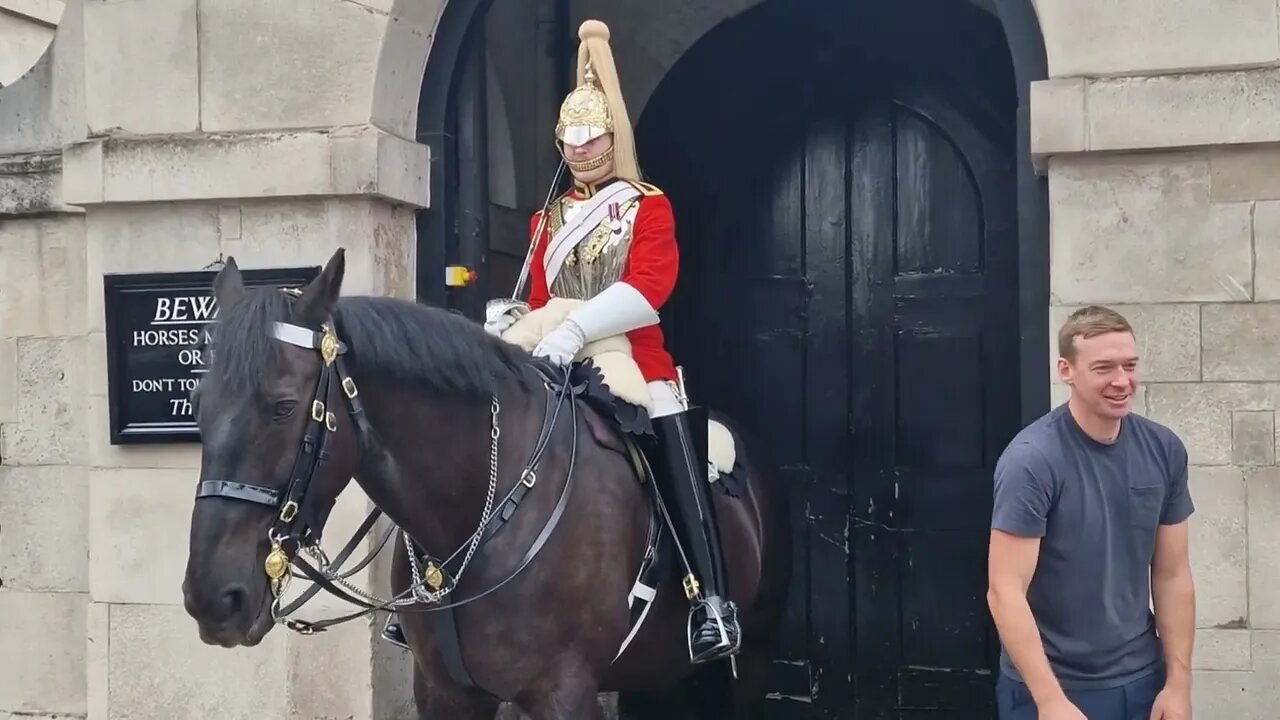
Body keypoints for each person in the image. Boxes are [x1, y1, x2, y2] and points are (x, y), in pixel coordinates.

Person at [386, 19, 742, 666]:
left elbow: (650, 287)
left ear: (612, 137)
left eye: (592, 136)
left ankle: (708, 597)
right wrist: (518, 319)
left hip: (628, 349)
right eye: (570, 138)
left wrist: (580, 326)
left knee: (666, 427)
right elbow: (547, 298)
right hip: (552, 344)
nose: (580, 149)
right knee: (465, 420)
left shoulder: (646, 206)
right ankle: (420, 582)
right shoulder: (547, 218)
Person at [986, 305, 1196, 720]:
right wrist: (1049, 702)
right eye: (1104, 368)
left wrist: (1178, 685)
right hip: (1052, 686)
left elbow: (1172, 574)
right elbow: (1004, 591)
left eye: (1130, 365)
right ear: (1066, 370)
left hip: (1142, 680)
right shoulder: (1032, 460)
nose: (1122, 381)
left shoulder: (1163, 449)